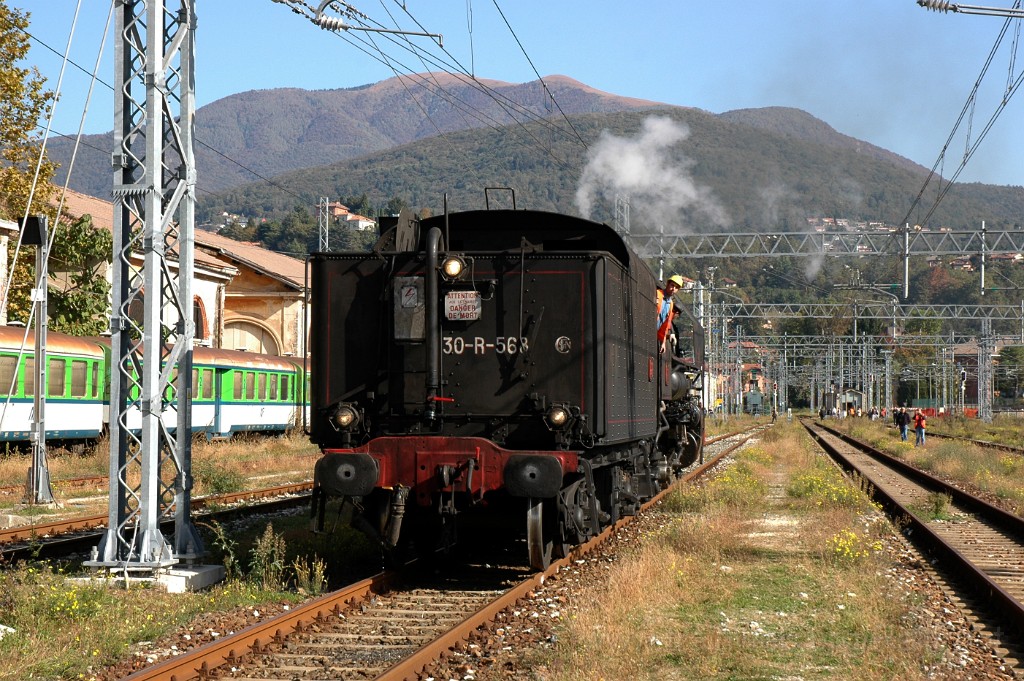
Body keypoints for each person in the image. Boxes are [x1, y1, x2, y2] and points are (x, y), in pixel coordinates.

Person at [657, 275, 683, 353]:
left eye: (676, 287)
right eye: (672, 285)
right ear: (668, 284)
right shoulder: (657, 294)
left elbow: (664, 325)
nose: (673, 289)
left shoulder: (671, 304)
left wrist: (663, 343)